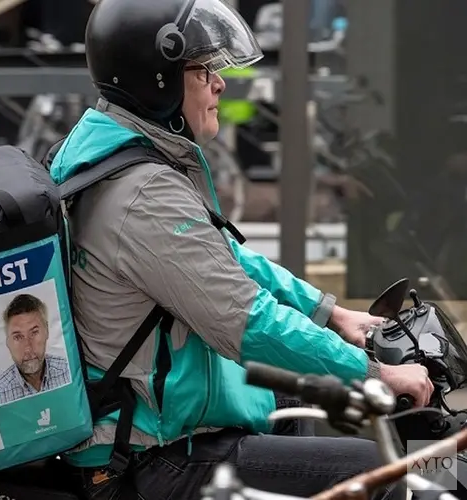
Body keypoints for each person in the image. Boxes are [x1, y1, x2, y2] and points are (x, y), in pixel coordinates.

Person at [46, 0, 434, 498]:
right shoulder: (143, 196)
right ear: (156, 79)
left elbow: (221, 256)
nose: (219, 83)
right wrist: (377, 373)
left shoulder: (111, 150)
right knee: (382, 469)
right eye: (202, 69)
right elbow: (247, 321)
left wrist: (331, 314)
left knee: (294, 397)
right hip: (148, 459)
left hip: (161, 424)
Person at [0, 293, 71, 404]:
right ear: (7, 342)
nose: (28, 348)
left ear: (47, 331)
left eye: (34, 333)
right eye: (18, 337)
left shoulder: (68, 370)